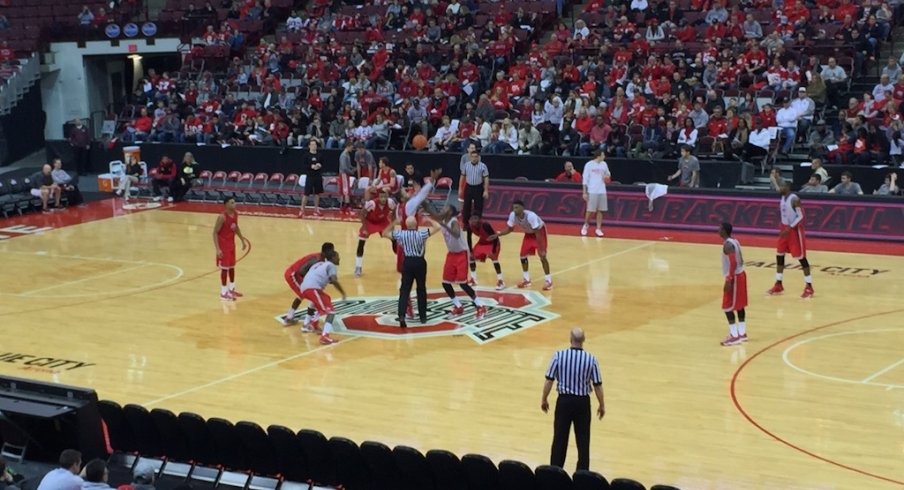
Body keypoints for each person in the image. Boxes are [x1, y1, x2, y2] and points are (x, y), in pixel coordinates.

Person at [540, 328, 605, 472]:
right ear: (584, 340)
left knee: (559, 439)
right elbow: (597, 385)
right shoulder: (591, 359)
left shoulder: (559, 355)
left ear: (570, 339)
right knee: (583, 440)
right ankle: (582, 475)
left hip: (564, 402)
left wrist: (544, 399)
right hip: (582, 403)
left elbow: (549, 380)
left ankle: (554, 473)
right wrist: (602, 404)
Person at [428, 204, 488, 318]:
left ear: (450, 211)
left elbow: (455, 234)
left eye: (445, 208)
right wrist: (424, 208)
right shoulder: (444, 220)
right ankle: (458, 306)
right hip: (451, 254)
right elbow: (434, 214)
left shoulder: (453, 221)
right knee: (445, 283)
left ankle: (480, 306)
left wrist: (444, 226)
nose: (442, 209)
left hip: (461, 254)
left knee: (463, 284)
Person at [386, 215, 440, 328]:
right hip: (420, 262)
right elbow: (438, 227)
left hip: (408, 262)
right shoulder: (421, 233)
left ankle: (401, 315)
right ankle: (423, 316)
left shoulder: (402, 234)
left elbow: (384, 233)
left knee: (404, 290)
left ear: (406, 225)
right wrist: (429, 219)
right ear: (416, 225)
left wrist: (394, 222)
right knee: (421, 289)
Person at [491, 200, 553, 291]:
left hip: (539, 232)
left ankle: (549, 281)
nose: (515, 210)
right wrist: (498, 235)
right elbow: (509, 229)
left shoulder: (531, 216)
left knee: (542, 256)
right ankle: (526, 279)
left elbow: (537, 232)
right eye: (513, 208)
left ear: (522, 208)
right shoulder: (512, 215)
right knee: (522, 256)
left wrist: (541, 248)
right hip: (528, 234)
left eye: (517, 207)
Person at [767, 181, 814, 298]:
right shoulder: (782, 197)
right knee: (779, 254)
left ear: (787, 187)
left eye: (782, 186)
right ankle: (778, 284)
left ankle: (809, 286)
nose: (780, 188)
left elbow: (801, 216)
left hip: (794, 230)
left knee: (801, 258)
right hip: (784, 229)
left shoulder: (794, 199)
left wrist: (790, 227)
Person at [280, 242, 335, 329]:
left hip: (295, 275)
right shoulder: (316, 260)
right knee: (312, 295)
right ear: (325, 252)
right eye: (331, 251)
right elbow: (302, 271)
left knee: (303, 295)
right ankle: (306, 324)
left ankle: (289, 318)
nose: (333, 253)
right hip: (293, 275)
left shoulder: (321, 259)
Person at [298, 250, 347, 345]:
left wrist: (311, 278)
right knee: (330, 311)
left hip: (304, 287)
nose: (339, 258)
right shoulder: (331, 266)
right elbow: (334, 280)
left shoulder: (319, 264)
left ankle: (313, 325)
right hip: (312, 288)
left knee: (324, 299)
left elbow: (302, 270)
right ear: (332, 258)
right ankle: (324, 337)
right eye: (337, 256)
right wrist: (342, 292)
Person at [718, 223, 748, 346]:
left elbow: (733, 263)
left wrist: (729, 280)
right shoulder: (735, 241)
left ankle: (734, 335)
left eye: (720, 229)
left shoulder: (728, 245)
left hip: (734, 276)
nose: (718, 230)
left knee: (727, 306)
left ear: (724, 231)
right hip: (741, 275)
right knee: (740, 306)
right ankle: (742, 333)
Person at [355, 189, 397, 277]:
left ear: (387, 196)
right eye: (381, 197)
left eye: (385, 196)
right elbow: (362, 214)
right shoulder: (372, 204)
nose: (383, 199)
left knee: (394, 239)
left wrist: (392, 224)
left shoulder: (391, 202)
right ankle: (358, 267)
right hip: (370, 222)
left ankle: (400, 262)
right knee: (361, 242)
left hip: (383, 221)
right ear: (378, 197)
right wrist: (365, 228)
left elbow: (394, 212)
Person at [213, 197, 247, 301]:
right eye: (232, 203)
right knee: (224, 268)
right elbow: (214, 233)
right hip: (223, 246)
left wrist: (242, 239)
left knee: (232, 267)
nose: (234, 204)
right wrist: (218, 249)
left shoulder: (235, 214)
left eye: (234, 202)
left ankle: (232, 289)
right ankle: (223, 292)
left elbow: (235, 227)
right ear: (226, 204)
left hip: (231, 244)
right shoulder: (222, 217)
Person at [467, 213, 505, 290]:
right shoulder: (470, 226)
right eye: (472, 218)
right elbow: (469, 238)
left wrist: (493, 251)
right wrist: (470, 251)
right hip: (482, 242)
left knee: (494, 259)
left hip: (493, 243)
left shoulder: (485, 225)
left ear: (479, 219)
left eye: (476, 218)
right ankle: (473, 279)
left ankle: (501, 281)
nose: (474, 220)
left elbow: (495, 237)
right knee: (471, 258)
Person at [581, 150, 610, 237]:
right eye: (603, 154)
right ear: (599, 156)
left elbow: (608, 175)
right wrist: (584, 192)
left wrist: (606, 177)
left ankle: (598, 228)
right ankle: (585, 225)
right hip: (592, 191)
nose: (604, 156)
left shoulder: (604, 164)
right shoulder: (589, 164)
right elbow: (585, 179)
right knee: (590, 210)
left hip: (602, 190)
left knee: (600, 210)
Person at [459, 151, 489, 225]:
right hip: (469, 187)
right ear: (470, 157)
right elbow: (462, 177)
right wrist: (460, 188)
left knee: (478, 206)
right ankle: (465, 224)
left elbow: (486, 178)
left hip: (478, 187)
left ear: (478, 157)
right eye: (472, 157)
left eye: (476, 157)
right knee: (466, 206)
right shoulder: (466, 165)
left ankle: (478, 223)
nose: (474, 158)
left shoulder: (483, 166)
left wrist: (486, 190)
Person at [299, 140, 323, 217]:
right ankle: (302, 210)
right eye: (312, 144)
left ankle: (316, 209)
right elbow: (304, 166)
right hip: (310, 176)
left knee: (317, 193)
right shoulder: (306, 155)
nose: (314, 146)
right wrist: (311, 166)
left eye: (315, 144)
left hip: (318, 176)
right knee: (306, 193)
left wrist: (319, 165)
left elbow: (323, 164)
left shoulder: (319, 155)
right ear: (309, 146)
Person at [337, 142, 357, 214]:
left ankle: (343, 206)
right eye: (351, 147)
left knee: (345, 190)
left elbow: (348, 166)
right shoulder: (343, 155)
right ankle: (347, 206)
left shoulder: (347, 155)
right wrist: (352, 172)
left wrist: (353, 168)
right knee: (346, 190)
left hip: (345, 175)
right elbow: (344, 167)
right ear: (347, 146)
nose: (352, 148)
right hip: (344, 175)